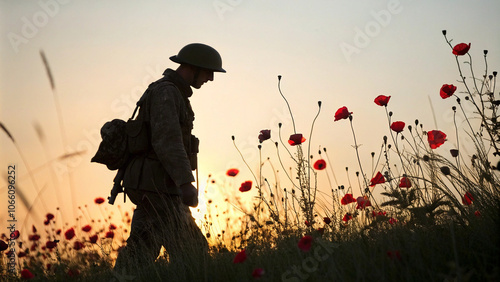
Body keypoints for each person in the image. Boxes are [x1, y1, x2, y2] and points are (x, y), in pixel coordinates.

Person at [114, 43, 226, 277]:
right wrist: (186, 184)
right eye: (208, 72)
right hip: (159, 188)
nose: (211, 79)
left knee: (140, 254)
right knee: (192, 254)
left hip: (156, 186)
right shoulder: (167, 92)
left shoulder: (172, 92)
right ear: (193, 68)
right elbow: (167, 141)